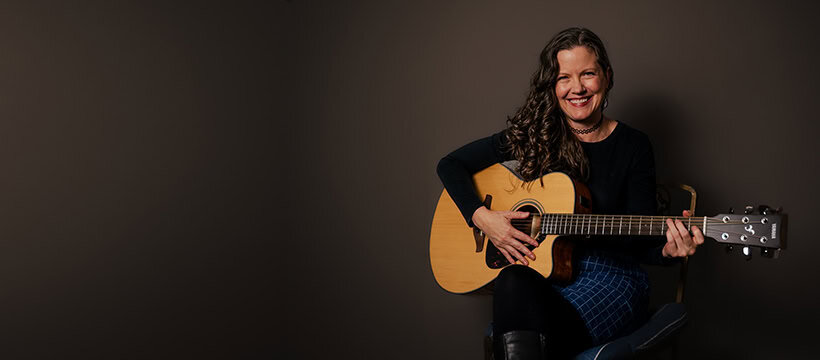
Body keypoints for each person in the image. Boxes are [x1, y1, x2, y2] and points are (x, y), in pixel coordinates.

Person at [436, 27, 704, 359]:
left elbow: (642, 246)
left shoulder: (633, 145)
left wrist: (669, 249)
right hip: (549, 277)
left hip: (613, 280)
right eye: (564, 77)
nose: (576, 88)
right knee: (511, 280)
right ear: (552, 85)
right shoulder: (539, 134)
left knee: (532, 340)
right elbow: (450, 165)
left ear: (606, 76)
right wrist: (484, 218)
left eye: (587, 74)